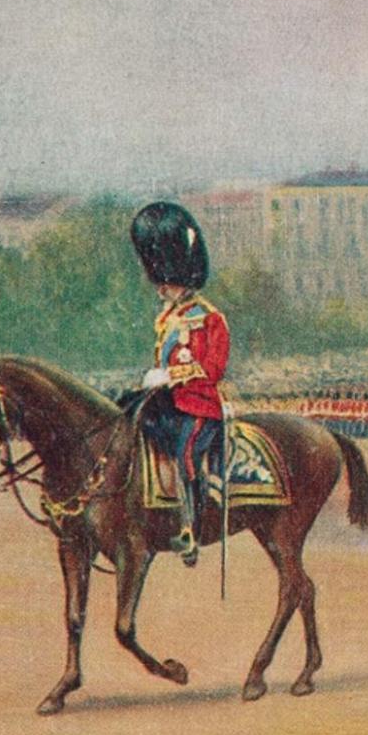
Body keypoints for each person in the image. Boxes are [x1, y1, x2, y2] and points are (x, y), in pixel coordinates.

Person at [130, 201, 230, 567]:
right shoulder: (167, 319)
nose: (160, 288)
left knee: (187, 455)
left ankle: (193, 527)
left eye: (166, 282)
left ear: (181, 279)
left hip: (199, 405)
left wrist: (173, 375)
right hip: (169, 401)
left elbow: (214, 368)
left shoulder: (210, 318)